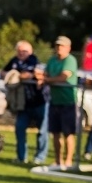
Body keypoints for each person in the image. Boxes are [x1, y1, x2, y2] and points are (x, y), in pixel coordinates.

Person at [0, 40, 49, 164]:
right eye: (19, 51)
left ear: (30, 51)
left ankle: (40, 157)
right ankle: (22, 157)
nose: (21, 53)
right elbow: (2, 72)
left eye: (24, 51)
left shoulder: (33, 60)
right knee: (19, 129)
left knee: (42, 131)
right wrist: (12, 74)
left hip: (39, 101)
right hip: (23, 104)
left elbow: (33, 74)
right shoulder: (14, 61)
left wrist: (20, 75)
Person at [39, 35, 79, 171]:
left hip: (68, 101)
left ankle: (68, 161)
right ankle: (58, 161)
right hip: (54, 101)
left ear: (68, 48)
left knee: (68, 133)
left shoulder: (70, 60)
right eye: (57, 45)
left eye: (62, 46)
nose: (59, 48)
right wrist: (43, 78)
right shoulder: (52, 60)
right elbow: (44, 74)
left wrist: (47, 80)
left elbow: (63, 77)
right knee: (55, 133)